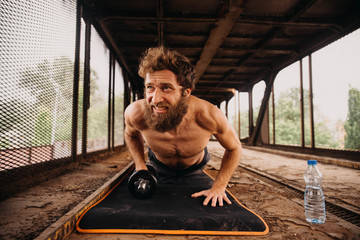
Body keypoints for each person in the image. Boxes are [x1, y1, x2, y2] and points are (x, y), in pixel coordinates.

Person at [124, 46, 242, 207]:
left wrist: (219, 187)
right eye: (150, 87)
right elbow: (130, 134)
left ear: (186, 92)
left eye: (166, 88)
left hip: (195, 165)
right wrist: (140, 166)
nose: (155, 99)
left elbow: (235, 148)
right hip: (158, 164)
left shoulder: (209, 115)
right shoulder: (136, 113)